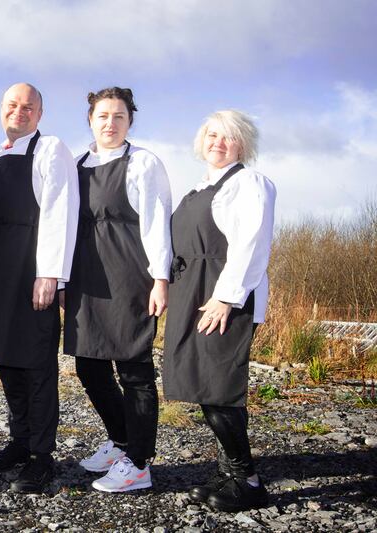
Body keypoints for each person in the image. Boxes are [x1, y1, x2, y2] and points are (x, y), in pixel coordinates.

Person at [163, 110, 276, 512]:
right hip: (192, 290)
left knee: (219, 388)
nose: (218, 142)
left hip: (223, 295)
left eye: (228, 137)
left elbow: (251, 245)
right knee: (202, 384)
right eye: (211, 135)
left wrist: (226, 297)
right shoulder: (197, 189)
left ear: (242, 143)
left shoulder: (250, 183)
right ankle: (229, 472)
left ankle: (248, 479)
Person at [62, 87, 172, 492]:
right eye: (103, 115)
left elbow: (157, 222)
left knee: (134, 370)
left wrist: (160, 279)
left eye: (119, 116)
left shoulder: (143, 162)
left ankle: (140, 463)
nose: (110, 123)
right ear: (90, 119)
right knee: (89, 366)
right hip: (86, 278)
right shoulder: (77, 164)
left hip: (130, 276)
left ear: (130, 121)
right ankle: (121, 440)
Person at [0, 82, 79, 493]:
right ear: (1, 111)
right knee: (8, 363)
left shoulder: (50, 149)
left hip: (32, 270)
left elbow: (60, 209)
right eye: (12, 105)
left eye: (28, 107)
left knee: (37, 365)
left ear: (39, 114)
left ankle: (42, 457)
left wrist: (50, 273)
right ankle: (20, 442)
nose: (19, 112)